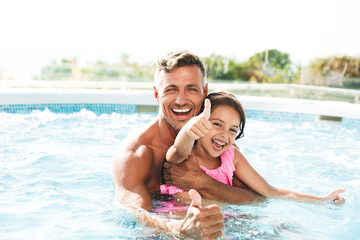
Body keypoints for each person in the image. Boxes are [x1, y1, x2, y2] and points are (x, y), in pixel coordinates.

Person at [112, 51, 260, 239]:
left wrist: (203, 182)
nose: (181, 101)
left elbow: (255, 199)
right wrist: (179, 229)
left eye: (191, 89)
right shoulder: (136, 154)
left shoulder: (216, 143)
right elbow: (134, 213)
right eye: (171, 89)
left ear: (204, 92)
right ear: (157, 94)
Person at [163, 91, 346, 205]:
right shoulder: (185, 156)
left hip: (222, 219)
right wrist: (190, 127)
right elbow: (178, 149)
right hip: (181, 218)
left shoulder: (231, 156)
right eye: (217, 124)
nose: (225, 135)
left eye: (233, 130)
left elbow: (268, 190)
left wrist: (321, 200)